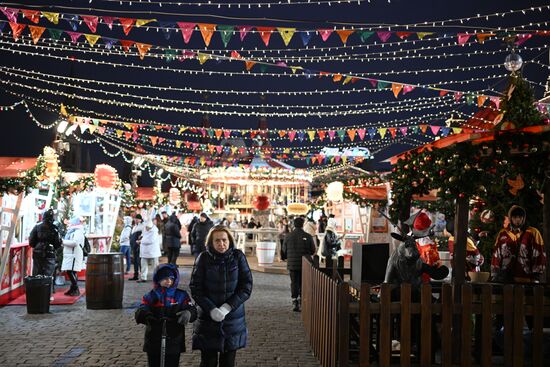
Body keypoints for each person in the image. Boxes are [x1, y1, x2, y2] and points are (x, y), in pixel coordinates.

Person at [190, 225, 253, 367]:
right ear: (211, 242)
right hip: (207, 320)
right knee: (208, 362)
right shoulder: (203, 258)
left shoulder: (238, 257)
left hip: (232, 320)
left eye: (224, 240)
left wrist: (227, 307)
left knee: (228, 362)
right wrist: (211, 309)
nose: (221, 244)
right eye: (217, 240)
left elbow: (246, 287)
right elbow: (196, 288)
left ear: (230, 240)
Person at [135, 264, 197, 367]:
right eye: (165, 278)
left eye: (171, 278)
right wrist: (146, 315)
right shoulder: (151, 295)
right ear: (158, 279)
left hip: (174, 337)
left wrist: (188, 313)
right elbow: (142, 308)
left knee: (172, 363)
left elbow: (192, 309)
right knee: (154, 362)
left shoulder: (181, 296)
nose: (168, 281)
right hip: (154, 337)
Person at [491, 205, 546, 283]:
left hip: (526, 279)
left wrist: (536, 276)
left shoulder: (533, 233)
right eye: (514, 217)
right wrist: (495, 274)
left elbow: (539, 254)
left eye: (520, 217)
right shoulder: (502, 234)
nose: (517, 220)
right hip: (505, 279)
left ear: (524, 218)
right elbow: (496, 255)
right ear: (510, 218)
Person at [281, 217, 316, 312]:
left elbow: (284, 251)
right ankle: (302, 300)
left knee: (294, 282)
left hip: (292, 264)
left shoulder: (288, 236)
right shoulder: (308, 236)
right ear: (303, 224)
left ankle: (294, 300)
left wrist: (286, 256)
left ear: (294, 225)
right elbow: (313, 250)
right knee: (303, 282)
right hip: (305, 263)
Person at [405, 210, 441, 283]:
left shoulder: (407, 239)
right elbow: (436, 263)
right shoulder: (429, 245)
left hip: (407, 277)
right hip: (424, 279)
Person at [61, 217, 86, 296]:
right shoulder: (73, 231)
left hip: (74, 254)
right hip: (71, 253)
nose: (69, 224)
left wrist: (63, 241)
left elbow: (75, 242)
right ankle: (73, 288)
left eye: (70, 223)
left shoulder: (78, 231)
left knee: (70, 271)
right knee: (72, 271)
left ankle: (75, 289)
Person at [139, 219, 162, 283]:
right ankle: (143, 277)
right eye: (146, 227)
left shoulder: (154, 231)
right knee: (143, 265)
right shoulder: (145, 229)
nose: (146, 228)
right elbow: (143, 235)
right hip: (144, 251)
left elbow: (150, 241)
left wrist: (140, 241)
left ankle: (157, 278)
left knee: (155, 266)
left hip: (153, 251)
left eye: (147, 227)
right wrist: (141, 237)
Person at [129, 214, 145, 281]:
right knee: (135, 261)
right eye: (135, 219)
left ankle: (142, 275)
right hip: (134, 246)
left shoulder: (142, 226)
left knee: (139, 261)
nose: (135, 220)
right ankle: (135, 275)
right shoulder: (135, 226)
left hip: (139, 246)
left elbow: (143, 235)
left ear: (140, 219)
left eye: (137, 219)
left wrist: (139, 240)